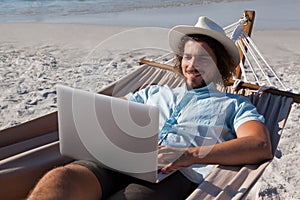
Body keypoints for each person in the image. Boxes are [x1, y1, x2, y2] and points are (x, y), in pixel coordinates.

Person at [27, 16, 272, 200]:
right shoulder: (154, 92)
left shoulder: (234, 104)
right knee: (60, 179)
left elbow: (259, 145)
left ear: (220, 66)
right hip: (119, 160)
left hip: (171, 174)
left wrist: (187, 155)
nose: (192, 64)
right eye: (188, 57)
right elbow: (109, 112)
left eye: (203, 58)